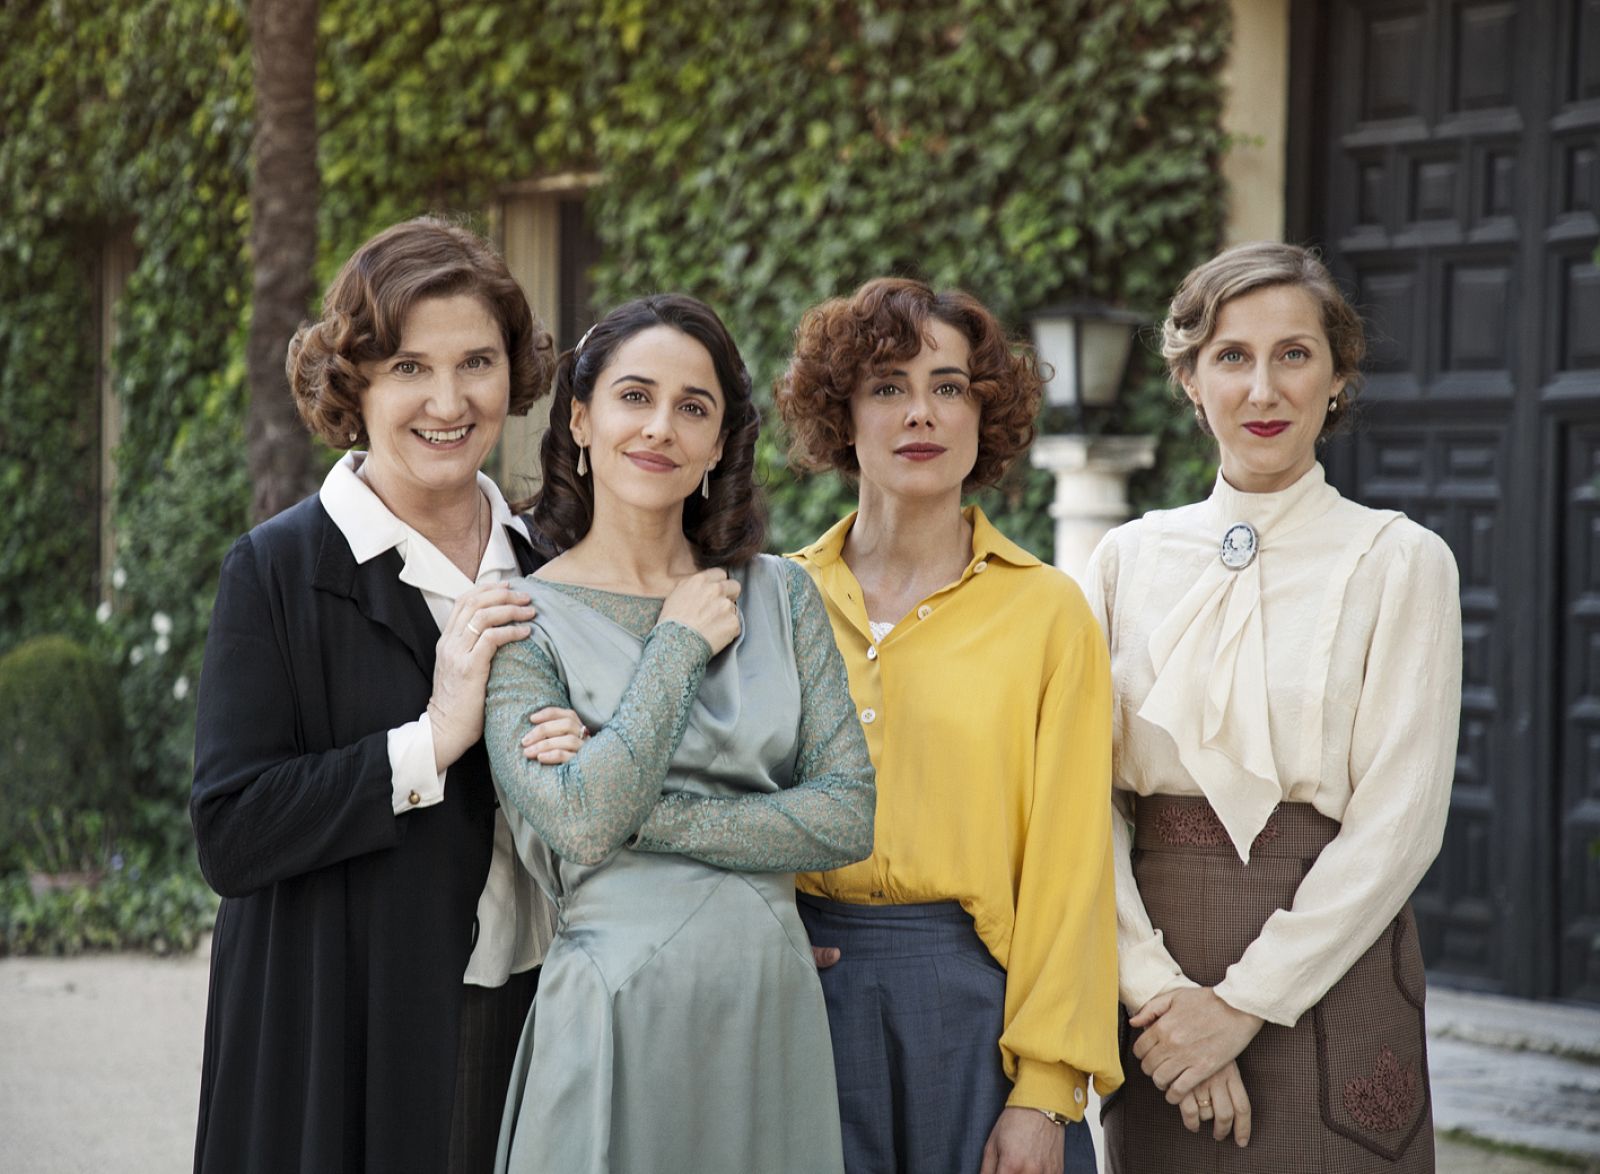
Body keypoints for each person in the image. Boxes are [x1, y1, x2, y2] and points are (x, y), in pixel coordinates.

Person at [190, 216, 574, 1174]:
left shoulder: (552, 565)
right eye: (409, 367)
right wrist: (432, 739)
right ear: (353, 384)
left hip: (527, 1011)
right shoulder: (276, 569)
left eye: (477, 362)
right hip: (335, 1035)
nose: (449, 400)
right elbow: (232, 831)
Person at [1085, 241, 1462, 1172]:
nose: (1264, 389)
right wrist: (1164, 999)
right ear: (1188, 379)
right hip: (1158, 977)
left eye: (1294, 354)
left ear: (1337, 377)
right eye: (1231, 356)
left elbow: (1399, 825)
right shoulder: (1125, 561)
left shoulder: (1398, 560)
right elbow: (1082, 803)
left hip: (1332, 963)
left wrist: (1245, 1004)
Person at [481, 293, 876, 1174]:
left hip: (769, 1004)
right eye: (634, 396)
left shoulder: (782, 595)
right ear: (580, 419)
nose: (660, 426)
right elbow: (575, 827)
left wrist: (633, 805)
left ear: (718, 445)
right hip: (614, 1006)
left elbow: (848, 816)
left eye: (693, 408)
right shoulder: (517, 620)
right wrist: (677, 644)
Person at [774, 276, 1120, 1174]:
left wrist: (1047, 1091)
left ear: (982, 417)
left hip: (976, 1013)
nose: (920, 413)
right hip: (797, 996)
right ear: (842, 415)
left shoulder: (1049, 614)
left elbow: (1069, 869)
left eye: (949, 387)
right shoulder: (777, 598)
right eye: (888, 387)